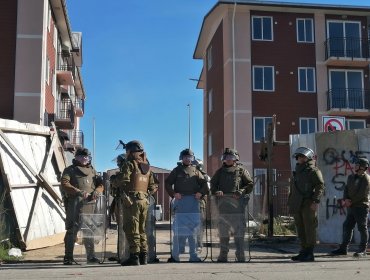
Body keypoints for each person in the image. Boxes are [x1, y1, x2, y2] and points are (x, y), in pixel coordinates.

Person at [115, 140, 158, 266]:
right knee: (141, 229)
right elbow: (153, 186)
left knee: (131, 227)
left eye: (127, 151)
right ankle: (143, 256)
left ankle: (134, 257)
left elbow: (123, 179)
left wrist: (114, 181)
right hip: (144, 200)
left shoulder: (130, 164)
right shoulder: (146, 166)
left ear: (130, 152)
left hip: (132, 200)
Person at [61, 148, 104, 265]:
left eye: (87, 157)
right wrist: (78, 191)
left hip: (90, 205)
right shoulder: (70, 170)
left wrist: (97, 191)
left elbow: (101, 184)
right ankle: (68, 257)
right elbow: (64, 183)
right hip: (74, 205)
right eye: (82, 157)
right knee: (72, 230)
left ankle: (91, 257)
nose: (85, 159)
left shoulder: (92, 171)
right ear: (76, 157)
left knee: (89, 231)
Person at [210, 148, 253, 262]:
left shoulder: (241, 171)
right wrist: (216, 192)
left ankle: (240, 255)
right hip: (223, 208)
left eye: (231, 157)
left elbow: (250, 184)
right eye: (226, 157)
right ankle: (223, 255)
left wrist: (241, 191)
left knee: (239, 234)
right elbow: (212, 186)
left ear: (236, 159)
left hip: (238, 209)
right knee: (223, 234)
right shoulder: (219, 172)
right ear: (223, 159)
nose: (228, 160)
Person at [165, 149, 208, 262]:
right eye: (185, 157)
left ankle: (193, 256)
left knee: (192, 231)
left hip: (193, 204)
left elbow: (205, 184)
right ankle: (175, 256)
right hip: (180, 203)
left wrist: (201, 193)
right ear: (181, 158)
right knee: (178, 231)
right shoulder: (177, 170)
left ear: (192, 158)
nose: (188, 159)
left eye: (190, 157)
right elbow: (168, 183)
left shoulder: (196, 171)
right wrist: (174, 194)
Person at [288, 146, 325, 262]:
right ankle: (303, 251)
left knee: (309, 227)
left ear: (308, 157)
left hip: (308, 203)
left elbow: (320, 186)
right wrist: (291, 202)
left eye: (302, 156)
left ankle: (309, 253)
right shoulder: (297, 171)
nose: (300, 158)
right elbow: (293, 189)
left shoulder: (313, 171)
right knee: (300, 228)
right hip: (297, 203)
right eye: (298, 157)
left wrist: (315, 201)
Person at [331, 157, 370, 258]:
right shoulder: (351, 177)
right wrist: (345, 199)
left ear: (363, 167)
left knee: (362, 227)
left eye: (357, 165)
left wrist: (350, 202)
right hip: (351, 206)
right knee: (347, 226)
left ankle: (362, 250)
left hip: (361, 207)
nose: (355, 166)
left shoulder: (367, 179)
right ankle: (343, 248)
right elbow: (346, 189)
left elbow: (362, 194)